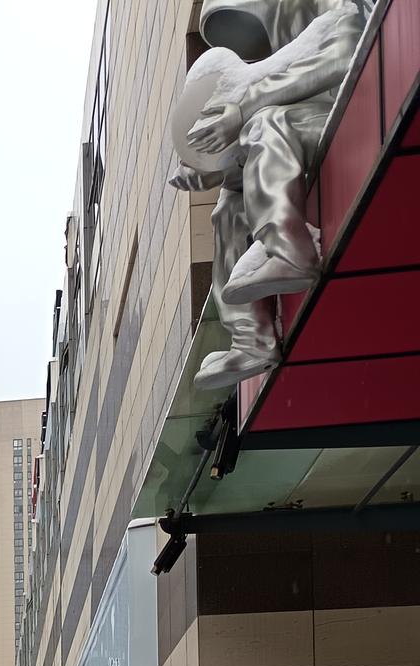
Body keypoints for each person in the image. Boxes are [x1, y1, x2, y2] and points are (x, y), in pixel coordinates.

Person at [171, 0, 371, 388]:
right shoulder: (278, 25)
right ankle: (251, 339)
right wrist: (214, 169)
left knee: (265, 124)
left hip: (352, 105)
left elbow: (346, 51)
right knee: (229, 203)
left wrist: (245, 107)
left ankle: (292, 250)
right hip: (304, 128)